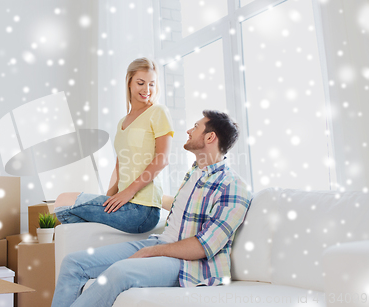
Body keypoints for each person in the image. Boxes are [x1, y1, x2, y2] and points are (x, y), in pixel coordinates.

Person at [51, 110, 253, 307]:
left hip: (190, 265)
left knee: (120, 272)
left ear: (210, 137)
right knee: (73, 263)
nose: (189, 130)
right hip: (161, 244)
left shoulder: (233, 186)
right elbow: (182, 209)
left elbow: (203, 247)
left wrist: (153, 251)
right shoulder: (195, 173)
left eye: (196, 126)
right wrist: (136, 197)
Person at [54, 58, 174, 234]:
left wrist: (128, 193)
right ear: (129, 82)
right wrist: (108, 199)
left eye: (151, 84)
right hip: (126, 204)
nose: (146, 90)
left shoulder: (158, 112)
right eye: (141, 83)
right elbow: (120, 165)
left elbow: (162, 159)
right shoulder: (122, 122)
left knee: (63, 202)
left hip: (142, 210)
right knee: (63, 206)